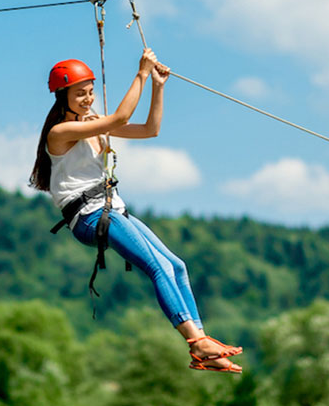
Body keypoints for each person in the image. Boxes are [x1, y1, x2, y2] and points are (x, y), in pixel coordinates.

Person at [29, 49, 242, 373]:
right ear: (62, 97)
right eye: (79, 94)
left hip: (111, 208)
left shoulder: (91, 124)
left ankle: (201, 342)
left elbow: (149, 129)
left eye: (90, 92)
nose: (88, 99)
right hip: (89, 216)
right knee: (156, 267)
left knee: (176, 266)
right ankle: (195, 342)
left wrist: (157, 86)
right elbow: (120, 119)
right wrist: (140, 73)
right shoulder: (60, 132)